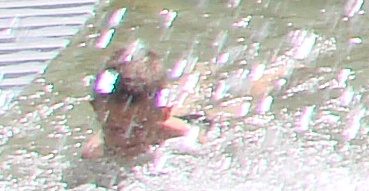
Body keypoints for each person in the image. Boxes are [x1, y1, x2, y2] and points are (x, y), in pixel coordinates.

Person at [82, 46, 279, 168]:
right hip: (153, 112)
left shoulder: (184, 136)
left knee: (234, 106)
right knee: (181, 98)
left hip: (196, 120)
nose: (125, 138)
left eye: (137, 128)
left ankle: (274, 71)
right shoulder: (95, 149)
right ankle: (197, 74)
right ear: (97, 113)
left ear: (162, 117)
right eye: (114, 128)